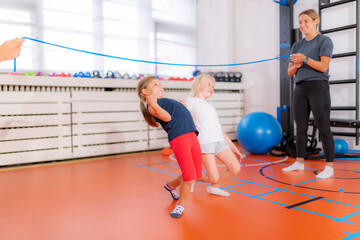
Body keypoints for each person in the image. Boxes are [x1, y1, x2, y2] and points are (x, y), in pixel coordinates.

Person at [137, 75, 202, 218]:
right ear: (145, 92)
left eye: (159, 84)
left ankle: (171, 185)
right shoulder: (152, 105)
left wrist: (181, 107)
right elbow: (167, 118)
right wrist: (153, 104)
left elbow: (175, 114)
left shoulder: (163, 101)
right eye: (154, 84)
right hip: (179, 138)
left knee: (196, 174)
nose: (160, 86)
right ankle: (181, 205)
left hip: (191, 134)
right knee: (190, 176)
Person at [282, 9, 334, 178]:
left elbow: (323, 67)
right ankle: (299, 162)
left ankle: (329, 167)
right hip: (300, 88)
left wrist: (304, 59)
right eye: (300, 22)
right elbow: (290, 72)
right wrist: (296, 64)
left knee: (324, 128)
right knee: (301, 128)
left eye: (306, 21)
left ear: (315, 21)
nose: (303, 25)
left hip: (318, 86)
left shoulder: (324, 40)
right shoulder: (297, 45)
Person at [184, 74, 241, 196]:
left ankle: (214, 187)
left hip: (219, 142)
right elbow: (182, 116)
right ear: (198, 84)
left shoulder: (210, 107)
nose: (212, 88)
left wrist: (233, 147)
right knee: (213, 177)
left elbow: (220, 129)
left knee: (235, 167)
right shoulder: (190, 101)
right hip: (205, 143)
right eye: (209, 84)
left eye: (213, 86)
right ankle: (194, 177)